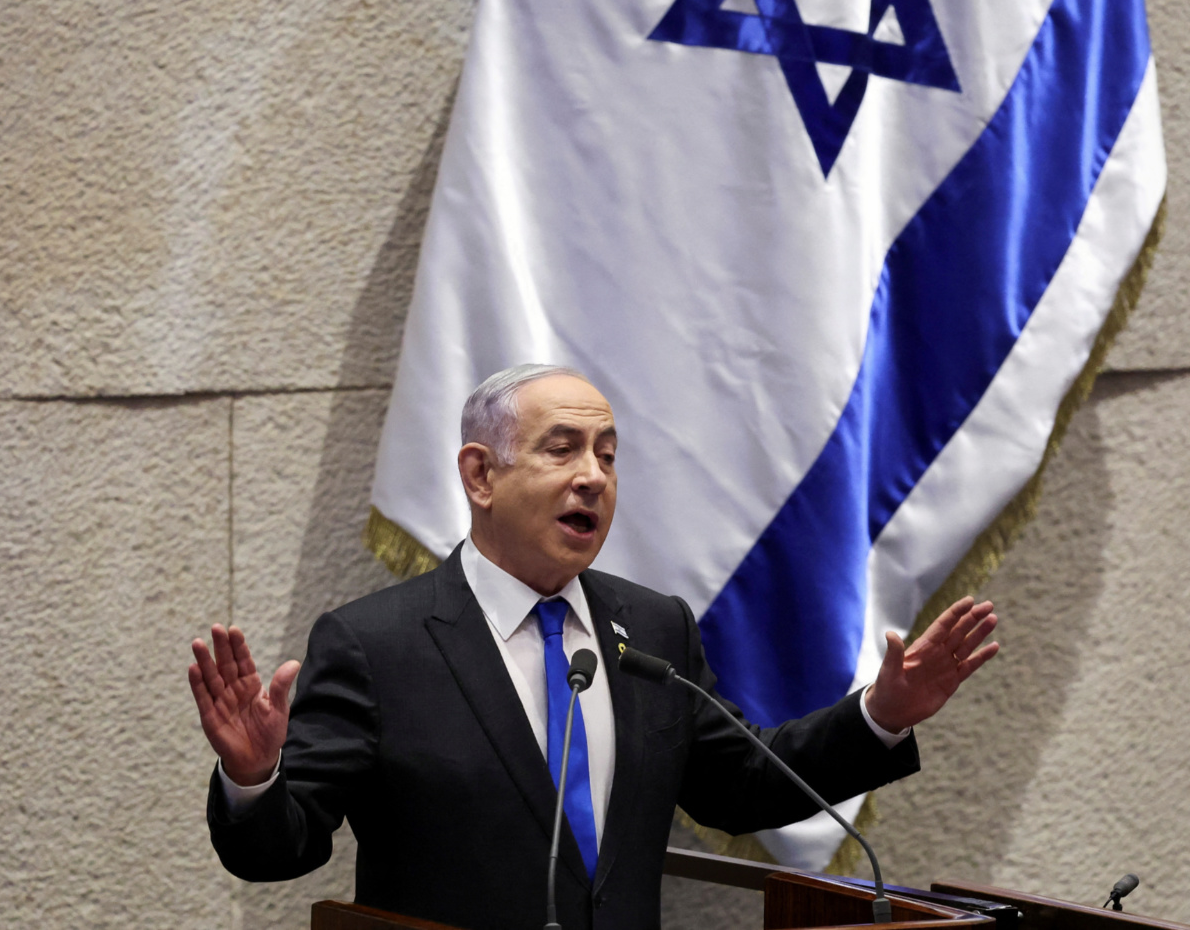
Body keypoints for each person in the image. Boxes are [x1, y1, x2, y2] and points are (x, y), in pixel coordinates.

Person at [187, 364, 998, 930]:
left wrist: (882, 715)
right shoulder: (376, 645)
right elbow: (279, 853)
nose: (594, 477)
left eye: (608, 456)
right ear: (479, 475)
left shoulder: (652, 630)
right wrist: (255, 778)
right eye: (562, 448)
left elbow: (745, 786)